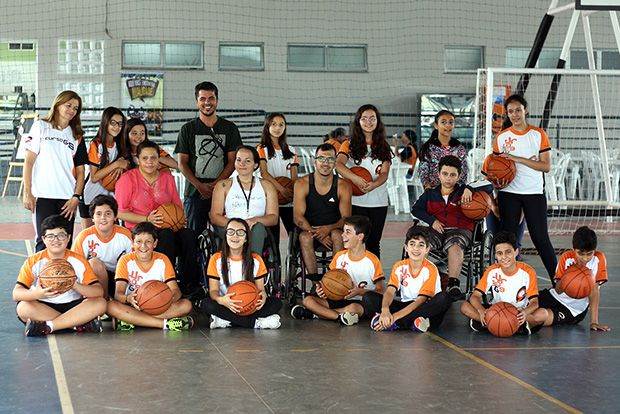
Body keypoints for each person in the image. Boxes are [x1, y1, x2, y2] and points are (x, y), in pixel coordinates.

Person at [485, 94, 557, 282]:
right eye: (510, 111)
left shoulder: (538, 134)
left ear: (526, 110)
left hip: (534, 193)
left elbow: (546, 166)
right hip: (508, 194)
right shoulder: (501, 138)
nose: (515, 114)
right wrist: (496, 188)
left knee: (540, 238)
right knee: (507, 240)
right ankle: (506, 282)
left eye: (518, 110)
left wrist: (518, 159)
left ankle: (558, 282)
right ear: (507, 114)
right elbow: (494, 167)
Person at [115, 141, 200, 294]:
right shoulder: (127, 179)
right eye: (145, 158)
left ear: (158, 159)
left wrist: (180, 218)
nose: (149, 162)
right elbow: (119, 212)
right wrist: (147, 219)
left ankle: (190, 285)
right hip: (141, 230)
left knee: (189, 235)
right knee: (166, 235)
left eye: (153, 158)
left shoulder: (167, 178)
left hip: (168, 227)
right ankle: (166, 283)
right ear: (137, 160)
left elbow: (177, 206)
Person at [13, 215, 106, 336]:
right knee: (23, 307)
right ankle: (76, 324)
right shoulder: (34, 261)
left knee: (100, 303)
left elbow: (98, 292)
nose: (56, 240)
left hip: (73, 306)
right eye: (50, 236)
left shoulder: (79, 260)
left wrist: (74, 285)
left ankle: (49, 326)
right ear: (43, 239)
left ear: (68, 238)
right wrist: (37, 294)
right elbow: (16, 293)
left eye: (61, 235)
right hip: (44, 306)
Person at [22, 90, 88, 251]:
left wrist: (76, 197)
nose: (72, 110)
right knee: (44, 242)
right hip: (43, 196)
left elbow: (81, 172)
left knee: (64, 244)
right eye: (69, 105)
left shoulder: (77, 136)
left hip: (67, 199)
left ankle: (61, 270)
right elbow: (29, 161)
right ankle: (41, 269)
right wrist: (27, 192)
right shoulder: (40, 126)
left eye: (76, 108)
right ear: (58, 104)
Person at [411, 155, 484, 299]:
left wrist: (470, 188)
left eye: (452, 175)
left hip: (460, 230)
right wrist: (432, 221)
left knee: (455, 244)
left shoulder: (464, 191)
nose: (448, 178)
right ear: (439, 174)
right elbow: (416, 209)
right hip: (437, 230)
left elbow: (488, 185)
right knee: (422, 243)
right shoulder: (430, 194)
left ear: (459, 176)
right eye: (445, 174)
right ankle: (419, 280)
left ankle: (453, 284)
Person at [175, 81, 243, 235]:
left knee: (226, 235)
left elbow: (233, 161)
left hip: (223, 191)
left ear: (217, 101)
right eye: (202, 99)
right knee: (193, 237)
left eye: (211, 98)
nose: (207, 102)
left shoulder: (230, 128)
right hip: (194, 193)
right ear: (197, 102)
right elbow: (182, 163)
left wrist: (217, 185)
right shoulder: (187, 129)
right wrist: (199, 186)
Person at [291, 215, 384, 326]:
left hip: (360, 302)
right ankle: (339, 317)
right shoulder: (339, 256)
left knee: (353, 308)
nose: (342, 235)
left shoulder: (372, 261)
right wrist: (323, 291)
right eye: (343, 231)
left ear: (360, 236)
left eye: (348, 232)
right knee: (307, 300)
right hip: (338, 299)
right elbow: (329, 282)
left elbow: (381, 292)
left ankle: (316, 314)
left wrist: (359, 291)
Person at [106, 222, 194, 331]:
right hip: (133, 306)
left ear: (155, 243)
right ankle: (165, 324)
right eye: (139, 241)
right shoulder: (125, 260)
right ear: (132, 243)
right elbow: (118, 295)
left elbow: (176, 291)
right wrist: (128, 298)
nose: (143, 246)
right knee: (110, 306)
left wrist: (165, 300)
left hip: (156, 308)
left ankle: (133, 320)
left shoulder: (162, 259)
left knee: (186, 305)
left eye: (148, 241)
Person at [363, 226, 451, 332]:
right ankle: (414, 323)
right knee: (368, 297)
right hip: (405, 306)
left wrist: (394, 317)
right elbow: (390, 292)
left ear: (427, 249)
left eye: (421, 245)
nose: (416, 249)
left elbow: (420, 301)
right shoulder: (399, 266)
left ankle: (396, 324)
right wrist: (385, 310)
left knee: (444, 298)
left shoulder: (431, 269)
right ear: (406, 247)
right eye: (412, 244)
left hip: (424, 308)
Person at [460, 231, 547, 335]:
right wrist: (481, 310)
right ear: (495, 255)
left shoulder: (528, 272)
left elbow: (534, 303)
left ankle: (492, 325)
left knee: (543, 314)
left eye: (508, 252)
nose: (504, 257)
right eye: (499, 253)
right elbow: (475, 296)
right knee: (464, 306)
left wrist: (525, 312)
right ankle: (505, 325)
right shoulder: (492, 271)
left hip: (518, 313)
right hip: (495, 310)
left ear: (516, 252)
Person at [202, 218, 282, 329]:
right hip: (226, 304)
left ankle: (226, 321)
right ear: (226, 236)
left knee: (277, 303)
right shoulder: (216, 259)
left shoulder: (256, 259)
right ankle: (255, 323)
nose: (235, 236)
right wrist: (222, 300)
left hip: (250, 305)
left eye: (240, 232)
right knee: (207, 304)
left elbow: (261, 290)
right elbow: (213, 291)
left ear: (246, 238)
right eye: (230, 232)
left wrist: (263, 296)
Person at [336, 104, 392, 258]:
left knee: (373, 242)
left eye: (372, 118)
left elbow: (384, 173)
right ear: (358, 121)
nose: (368, 122)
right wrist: (354, 178)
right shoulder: (348, 144)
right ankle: (352, 272)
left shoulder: (384, 146)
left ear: (378, 121)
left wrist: (374, 184)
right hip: (354, 201)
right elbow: (338, 165)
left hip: (378, 202)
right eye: (364, 118)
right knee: (354, 242)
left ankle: (374, 273)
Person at [293, 143, 352, 280]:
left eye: (330, 159)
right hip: (309, 229)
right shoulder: (302, 184)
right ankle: (316, 283)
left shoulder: (343, 186)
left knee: (338, 235)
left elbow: (346, 218)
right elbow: (298, 217)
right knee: (305, 237)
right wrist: (318, 234)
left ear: (335, 162)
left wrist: (328, 229)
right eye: (321, 159)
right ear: (315, 161)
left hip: (334, 229)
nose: (326, 163)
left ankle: (334, 280)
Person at [539, 226, 610, 331]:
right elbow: (558, 290)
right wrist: (568, 278)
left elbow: (594, 291)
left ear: (594, 251)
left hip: (573, 310)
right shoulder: (566, 257)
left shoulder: (599, 259)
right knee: (526, 303)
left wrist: (594, 322)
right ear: (573, 249)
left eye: (589, 254)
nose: (585, 258)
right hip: (553, 296)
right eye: (580, 253)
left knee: (540, 317)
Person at [210, 145, 279, 254]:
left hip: (256, 229)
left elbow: (273, 218)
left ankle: (253, 262)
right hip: (230, 227)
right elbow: (214, 216)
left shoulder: (267, 186)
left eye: (247, 161)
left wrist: (254, 220)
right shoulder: (223, 185)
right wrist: (237, 225)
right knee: (233, 232)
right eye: (238, 160)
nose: (242, 164)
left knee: (258, 228)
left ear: (255, 165)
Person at [72, 195, 133, 298]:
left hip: (120, 279)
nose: (103, 218)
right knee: (94, 263)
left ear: (115, 217)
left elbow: (134, 263)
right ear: (92, 218)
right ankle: (104, 299)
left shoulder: (125, 235)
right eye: (98, 214)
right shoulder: (84, 237)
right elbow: (76, 266)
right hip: (96, 280)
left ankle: (119, 298)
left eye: (108, 214)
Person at [80, 107, 129, 229]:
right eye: (113, 123)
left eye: (120, 124)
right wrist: (116, 164)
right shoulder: (96, 144)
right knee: (89, 235)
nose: (117, 127)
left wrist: (123, 163)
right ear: (105, 122)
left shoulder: (121, 144)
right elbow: (94, 177)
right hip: (90, 195)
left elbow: (127, 163)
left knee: (112, 233)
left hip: (111, 196)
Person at [257, 113, 299, 246]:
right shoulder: (261, 149)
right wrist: (281, 189)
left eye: (281, 125)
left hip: (288, 201)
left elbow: (294, 178)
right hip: (270, 199)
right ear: (267, 126)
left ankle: (293, 257)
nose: (277, 128)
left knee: (295, 234)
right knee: (273, 238)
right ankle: (275, 260)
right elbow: (264, 173)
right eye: (274, 124)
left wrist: (292, 192)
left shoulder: (292, 150)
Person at [418, 110, 468, 190]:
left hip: (455, 192)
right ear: (436, 125)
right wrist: (429, 190)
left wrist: (459, 190)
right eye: (443, 122)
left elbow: (464, 173)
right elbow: (423, 172)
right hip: (433, 192)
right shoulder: (428, 148)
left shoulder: (459, 148)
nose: (448, 125)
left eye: (451, 122)